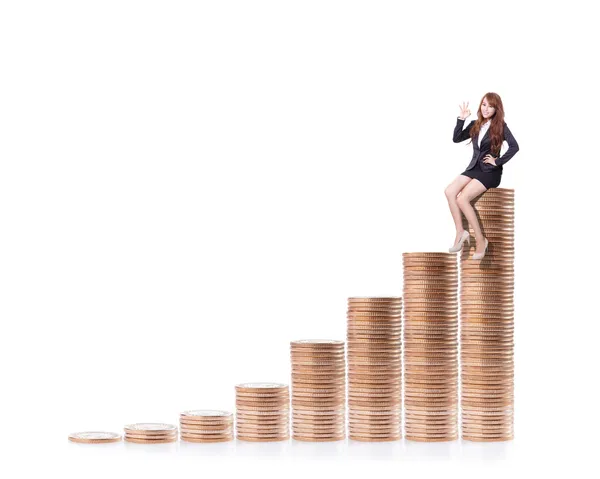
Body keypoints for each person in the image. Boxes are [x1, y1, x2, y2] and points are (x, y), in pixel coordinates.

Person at [445, 93, 519, 260]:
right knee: (450, 192)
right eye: (484, 104)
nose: (486, 109)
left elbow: (514, 147)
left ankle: (481, 240)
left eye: (490, 106)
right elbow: (456, 138)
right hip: (474, 168)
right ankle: (460, 232)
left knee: (462, 199)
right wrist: (461, 119)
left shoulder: (501, 126)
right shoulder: (475, 124)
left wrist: (498, 161)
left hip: (489, 172)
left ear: (496, 109)